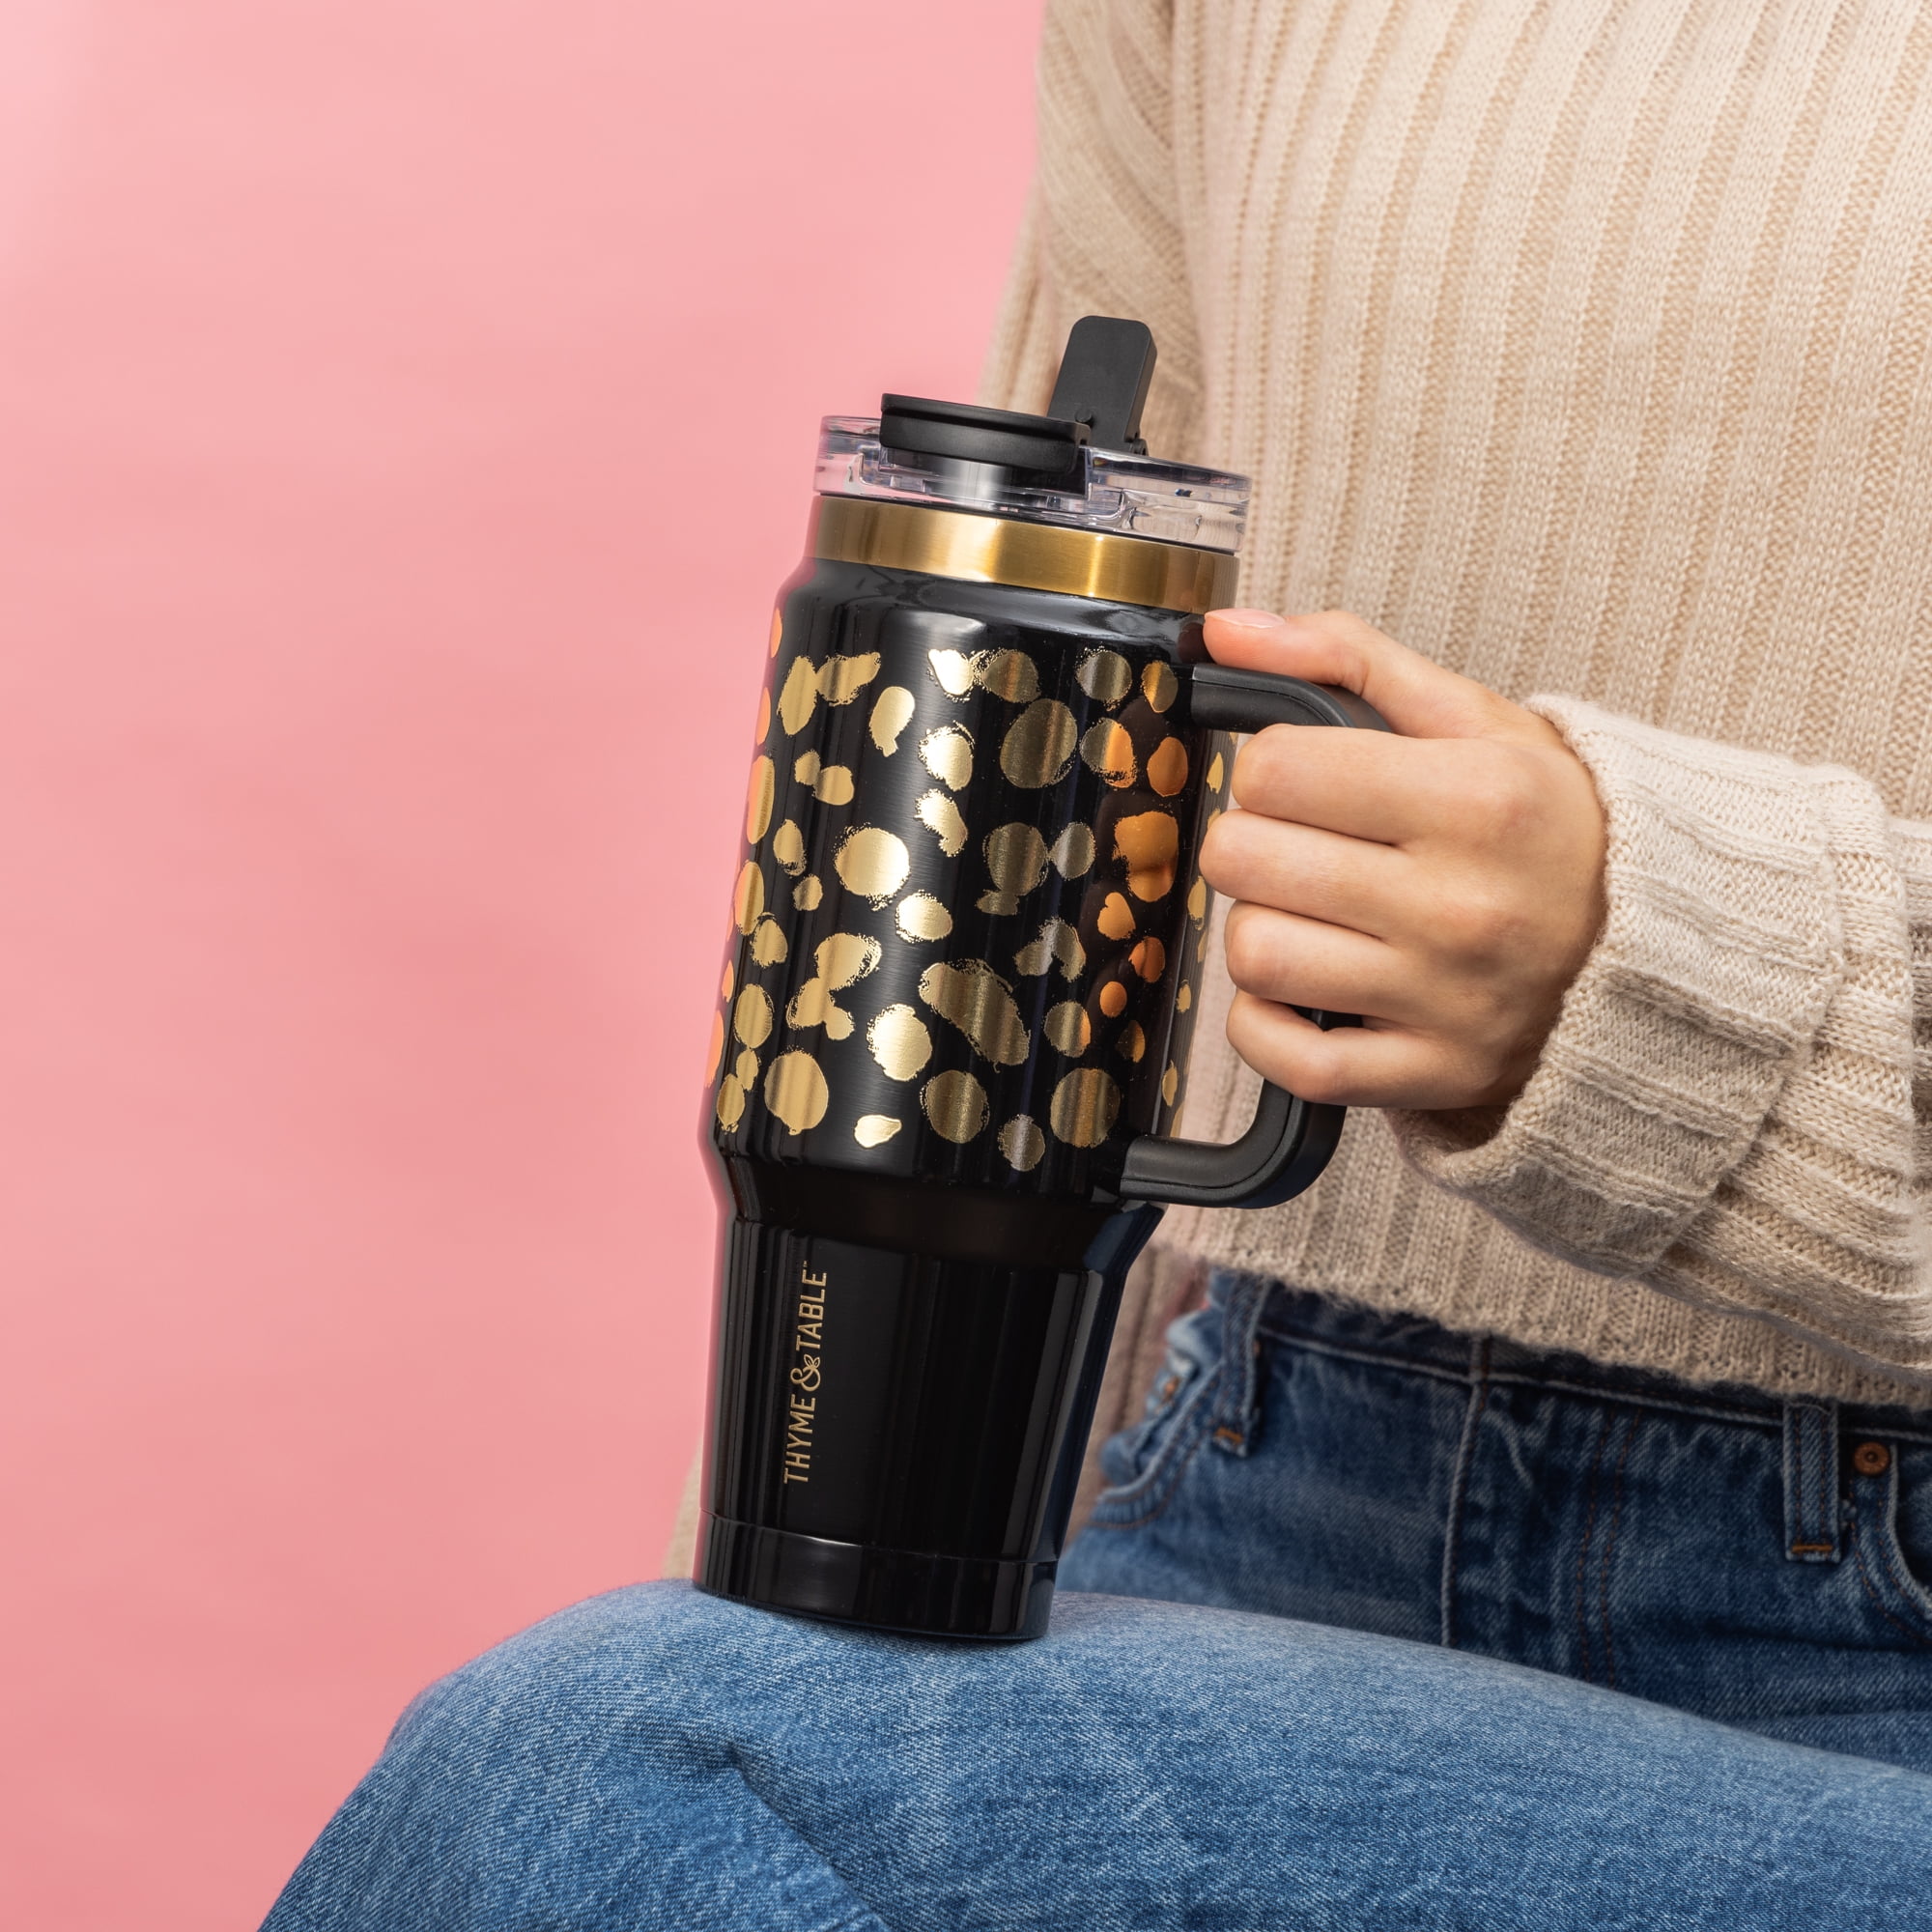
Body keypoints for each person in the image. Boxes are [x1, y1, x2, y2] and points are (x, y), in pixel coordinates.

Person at [262, 3, 1932, 1924]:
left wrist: (1679, 990)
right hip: (1244, 1452)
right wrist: (817, 1558)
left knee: (611, 1760)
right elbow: (1021, 744)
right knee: (643, 1790)